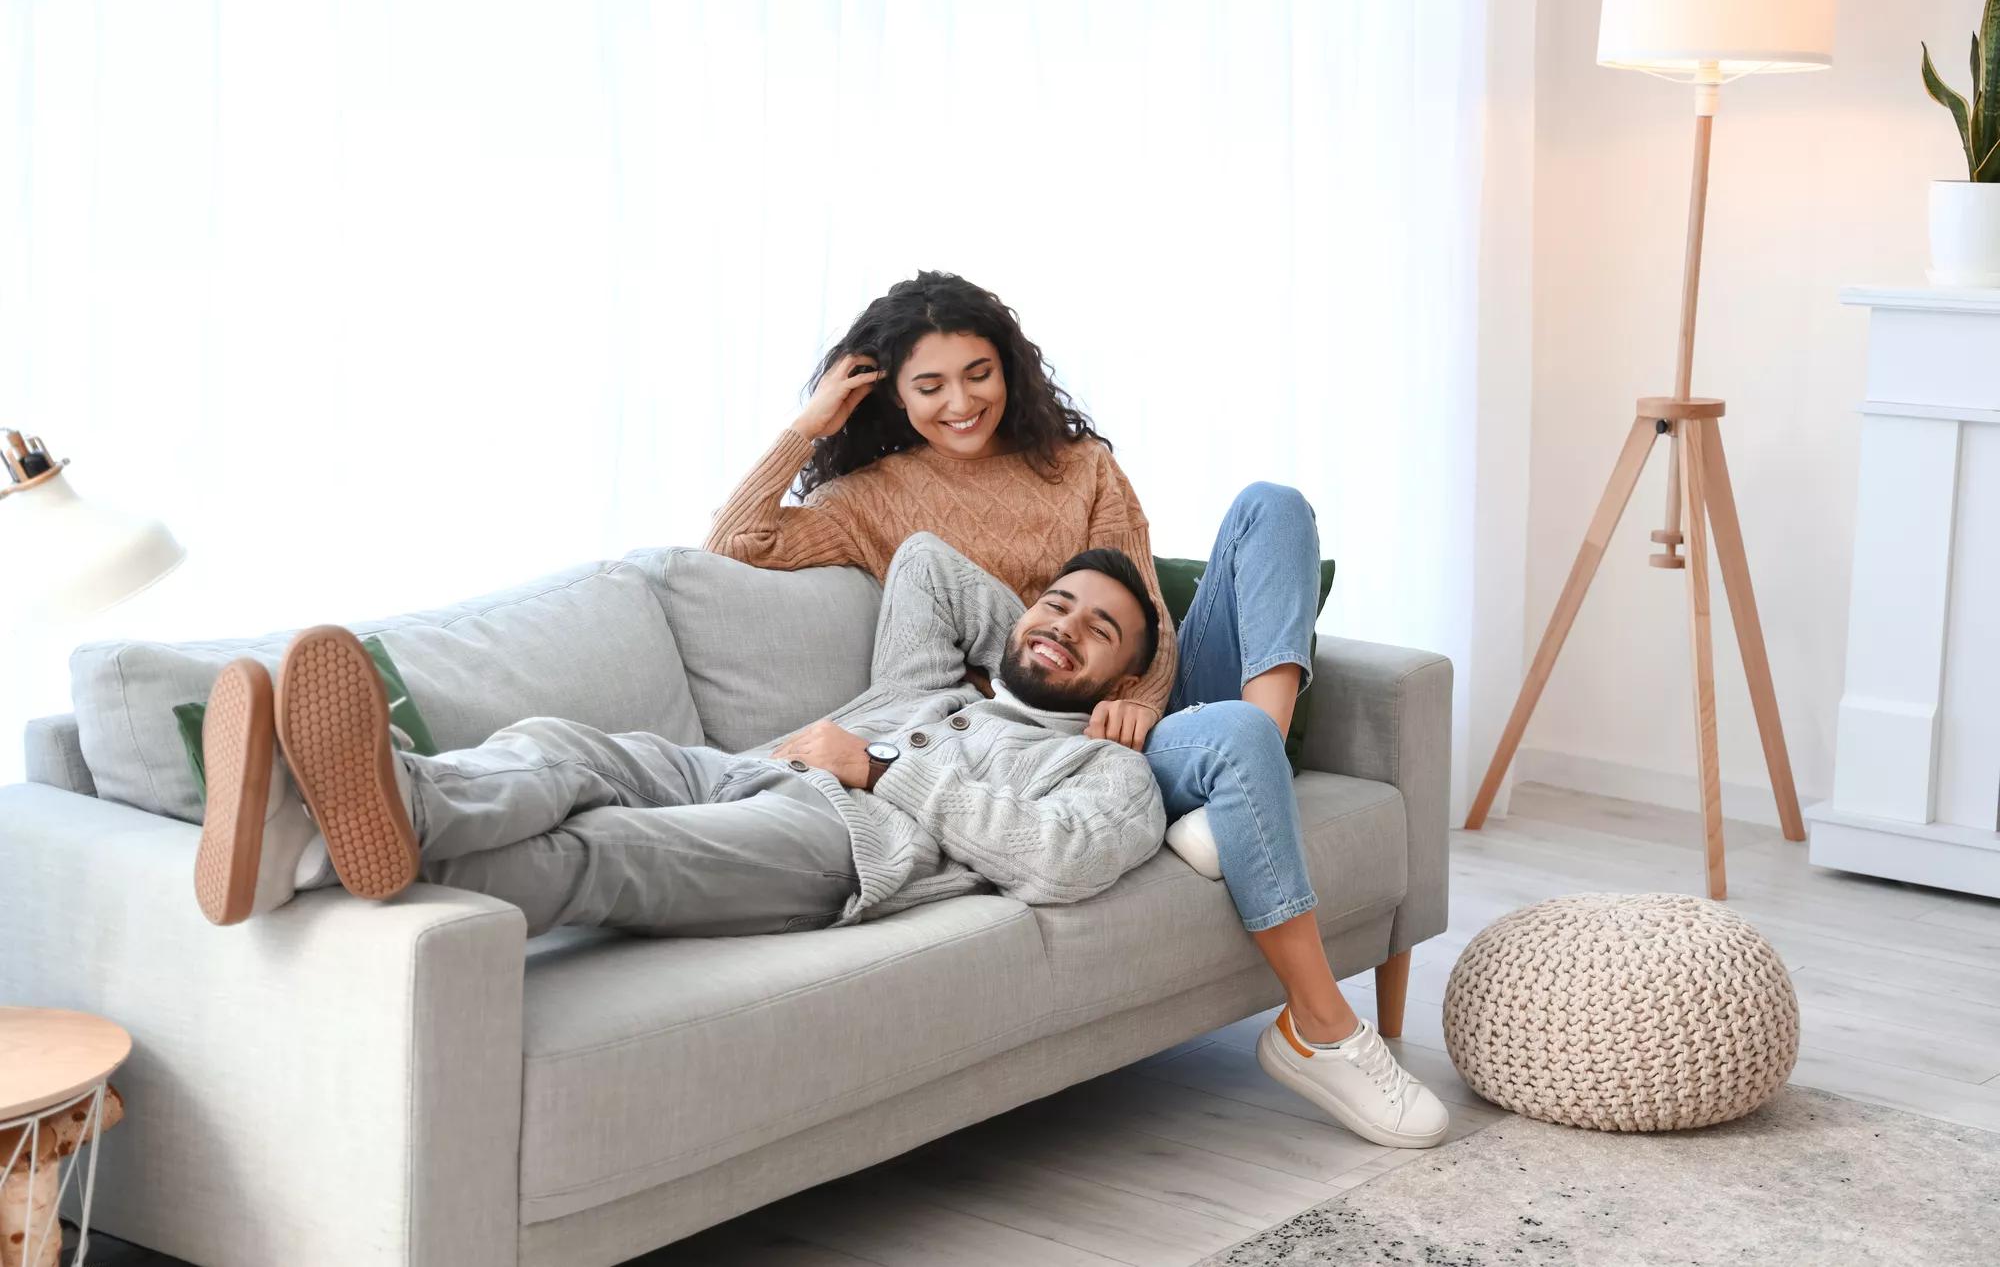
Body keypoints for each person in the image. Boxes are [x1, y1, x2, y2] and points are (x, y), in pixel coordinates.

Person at [708, 271, 1446, 1149]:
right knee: (1230, 734)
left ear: (1009, 367)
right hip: (1053, 752)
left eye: (977, 372)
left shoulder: (1081, 465)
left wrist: (1136, 700)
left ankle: (1255, 768)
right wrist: (805, 428)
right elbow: (735, 545)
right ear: (890, 394)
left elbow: (1153, 619)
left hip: (1148, 714)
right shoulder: (874, 499)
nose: (959, 402)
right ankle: (1317, 1021)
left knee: (1273, 507)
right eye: (929, 384)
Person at [192, 534, 1165, 939]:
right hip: (748, 772)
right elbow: (924, 562)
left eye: (1096, 631)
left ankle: (312, 842)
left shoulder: (1105, 767)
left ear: (1122, 675)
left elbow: (1059, 862)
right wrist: (1031, 638)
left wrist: (873, 768)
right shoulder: (930, 673)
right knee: (562, 747)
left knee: (605, 849)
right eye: (1056, 602)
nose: (1061, 625)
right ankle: (378, 801)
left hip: (847, 845)